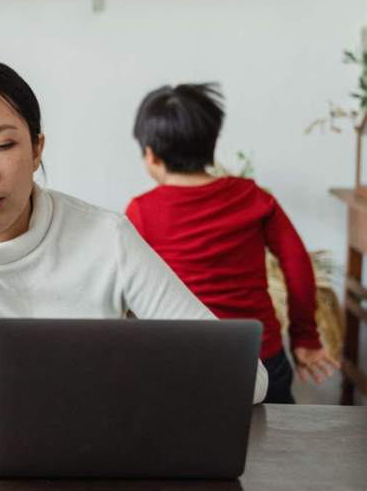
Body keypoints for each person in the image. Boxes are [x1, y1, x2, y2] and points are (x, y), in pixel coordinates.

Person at [0, 57, 268, 405]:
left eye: (4, 145)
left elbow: (247, 380)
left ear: (36, 150)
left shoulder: (107, 237)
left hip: (90, 449)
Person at [124, 83, 339, 404]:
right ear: (211, 144)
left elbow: (128, 286)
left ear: (151, 155)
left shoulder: (141, 211)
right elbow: (297, 264)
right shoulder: (254, 197)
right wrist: (304, 335)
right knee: (276, 448)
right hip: (260, 357)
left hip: (186, 362)